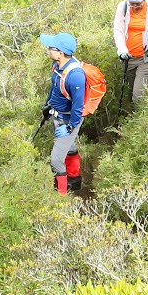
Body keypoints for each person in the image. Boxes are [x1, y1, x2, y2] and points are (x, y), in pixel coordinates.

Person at [39, 32, 87, 195]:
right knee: (70, 147)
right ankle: (74, 180)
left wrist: (70, 127)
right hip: (57, 115)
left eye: (50, 48)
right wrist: (48, 105)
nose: (47, 50)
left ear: (60, 53)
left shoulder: (75, 75)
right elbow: (55, 87)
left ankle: (60, 197)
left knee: (56, 160)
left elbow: (78, 107)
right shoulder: (58, 65)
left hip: (68, 120)